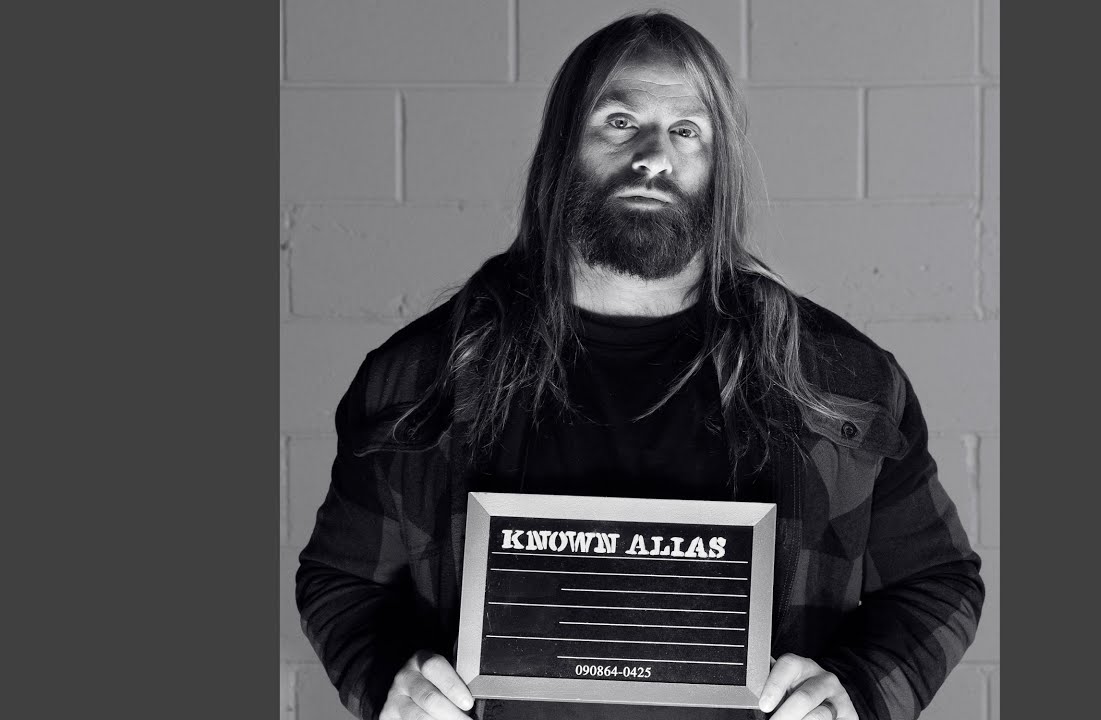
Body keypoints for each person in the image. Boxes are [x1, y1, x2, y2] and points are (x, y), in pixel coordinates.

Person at [297, 11, 984, 720]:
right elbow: (341, 580)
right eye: (620, 122)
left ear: (720, 166)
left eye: (687, 131)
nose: (654, 157)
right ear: (563, 148)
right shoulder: (420, 378)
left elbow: (938, 580)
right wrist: (389, 678)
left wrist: (857, 692)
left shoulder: (839, 381)